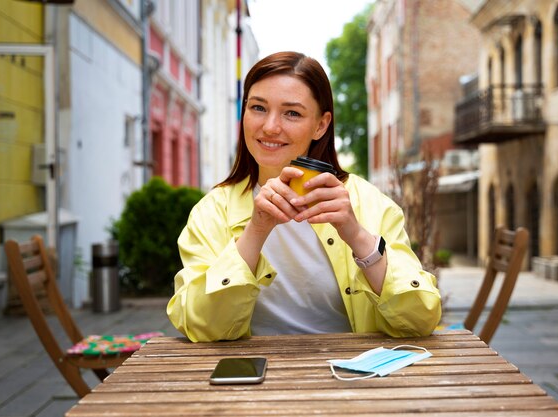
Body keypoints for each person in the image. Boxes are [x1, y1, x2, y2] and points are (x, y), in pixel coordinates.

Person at [167, 51, 441, 342]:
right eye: (258, 107)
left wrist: (358, 236)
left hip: (351, 378)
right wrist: (257, 230)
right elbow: (201, 327)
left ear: (321, 125)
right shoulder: (212, 211)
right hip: (254, 377)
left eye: (292, 113)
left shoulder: (368, 203)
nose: (270, 126)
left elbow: (419, 321)